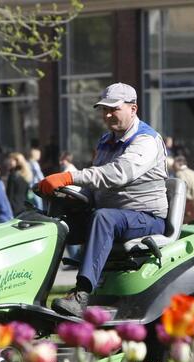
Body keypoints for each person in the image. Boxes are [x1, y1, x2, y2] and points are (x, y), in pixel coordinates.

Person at [38, 82, 169, 317]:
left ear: (133, 108)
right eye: (103, 110)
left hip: (146, 217)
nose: (107, 115)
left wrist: (68, 177)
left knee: (103, 218)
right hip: (111, 215)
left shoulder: (146, 140)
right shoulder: (105, 141)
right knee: (56, 224)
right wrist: (64, 196)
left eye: (113, 109)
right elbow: (94, 187)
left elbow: (117, 174)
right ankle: (35, 292)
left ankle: (81, 294)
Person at [173, 155, 194, 222]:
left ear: (178, 163)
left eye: (174, 164)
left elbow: (180, 192)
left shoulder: (180, 174)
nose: (173, 166)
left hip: (186, 207)